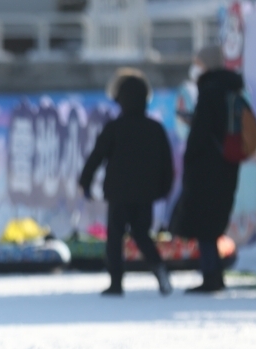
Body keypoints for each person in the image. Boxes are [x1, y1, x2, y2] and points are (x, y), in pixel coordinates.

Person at [79, 69, 174, 296]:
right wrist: (163, 189)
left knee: (115, 237)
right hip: (145, 194)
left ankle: (116, 282)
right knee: (141, 234)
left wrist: (86, 182)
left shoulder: (114, 127)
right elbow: (167, 164)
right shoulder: (155, 128)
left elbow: (96, 156)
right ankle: (160, 271)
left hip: (118, 193)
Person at [170, 45, 244, 293]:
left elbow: (202, 133)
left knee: (205, 226)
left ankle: (211, 275)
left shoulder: (209, 90)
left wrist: (190, 157)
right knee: (213, 224)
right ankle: (215, 275)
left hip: (207, 168)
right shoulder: (230, 89)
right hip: (228, 165)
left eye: (198, 62)